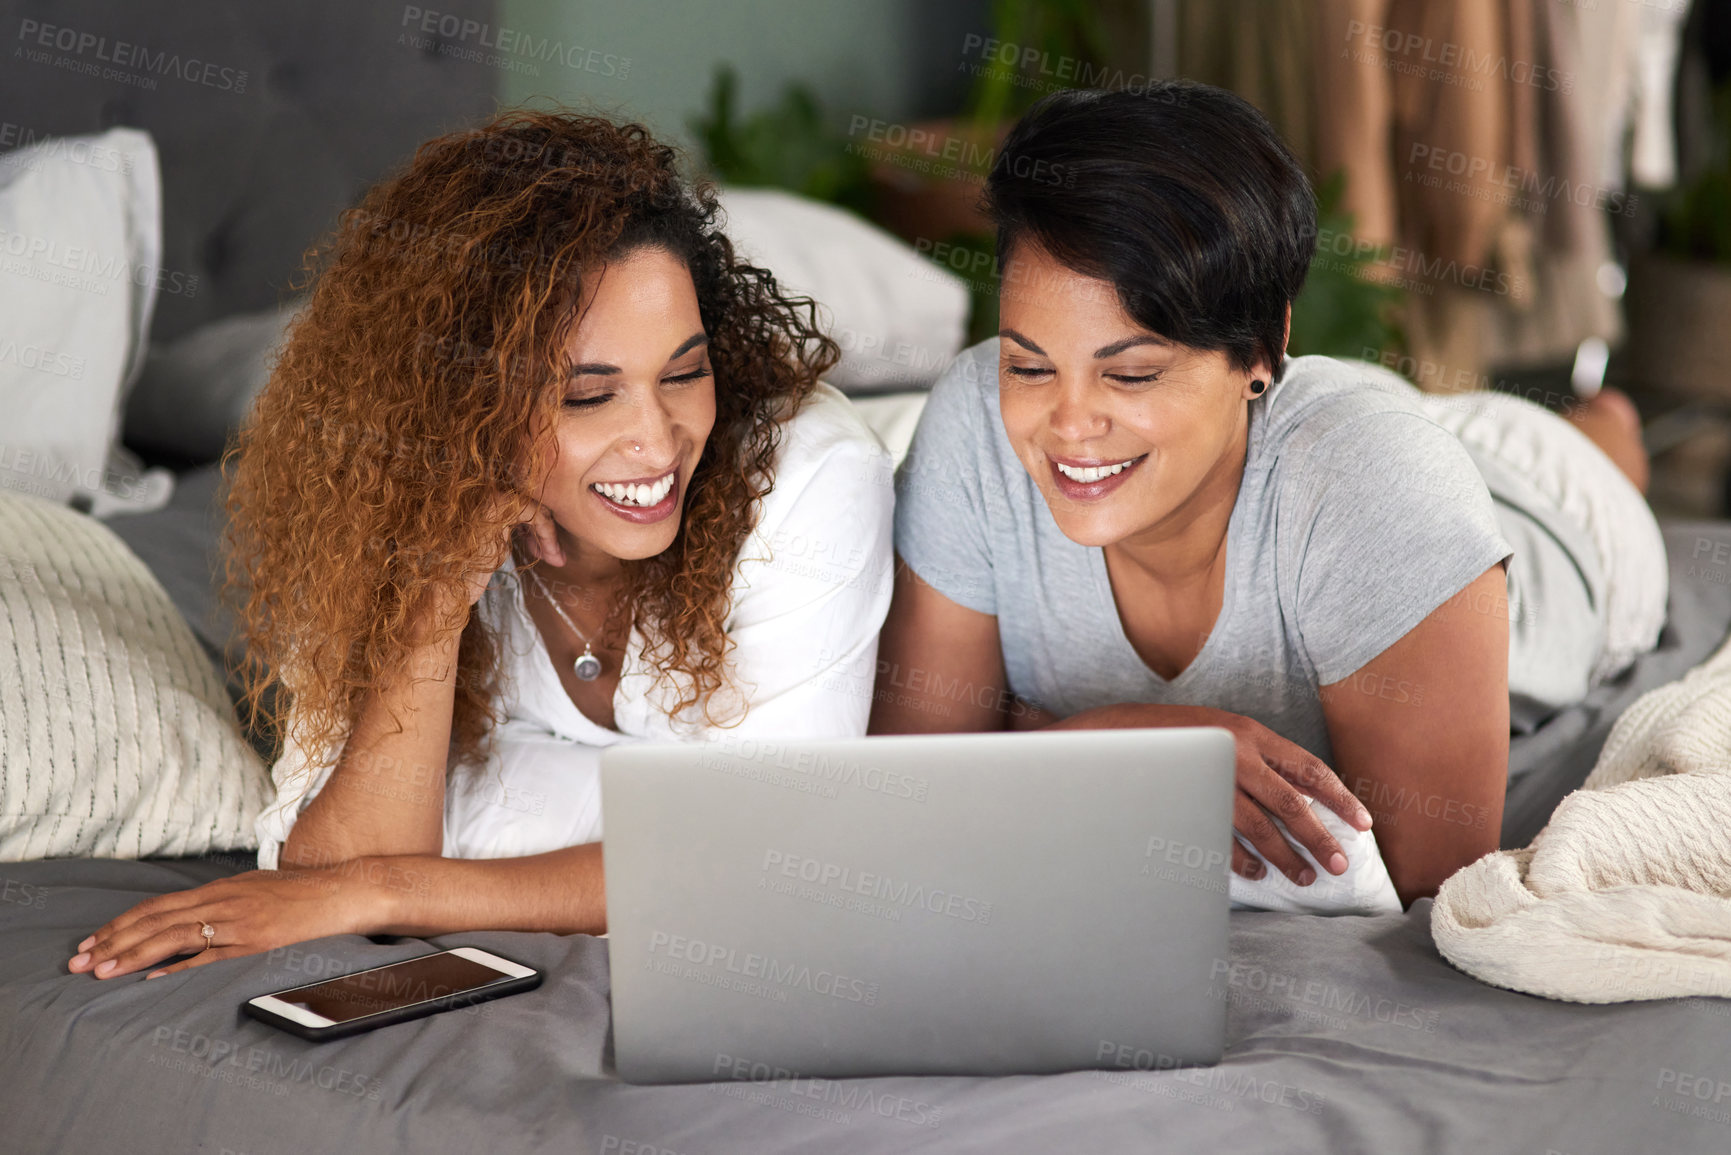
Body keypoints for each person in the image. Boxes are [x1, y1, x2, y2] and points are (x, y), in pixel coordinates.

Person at [69, 110, 893, 981]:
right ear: (464, 402)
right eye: (587, 396)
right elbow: (324, 855)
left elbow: (762, 862)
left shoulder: (808, 473)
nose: (657, 442)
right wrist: (435, 586)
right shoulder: (385, 494)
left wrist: (385, 891)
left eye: (684, 373)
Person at [871, 83, 1665, 908]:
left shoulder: (1386, 497)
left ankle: (1603, 428)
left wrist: (1034, 743)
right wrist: (1120, 745)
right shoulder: (974, 420)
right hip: (1315, 439)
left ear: (1260, 348)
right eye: (1029, 365)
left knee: (1585, 452)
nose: (1067, 423)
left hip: (1537, 509)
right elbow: (915, 783)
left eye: (1132, 372)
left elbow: (1433, 887)